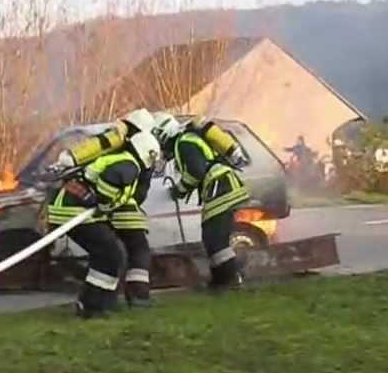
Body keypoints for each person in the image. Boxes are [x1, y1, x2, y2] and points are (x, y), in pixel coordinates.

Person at [46, 131, 161, 318]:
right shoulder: (129, 164)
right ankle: (93, 306)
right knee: (110, 254)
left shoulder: (123, 160)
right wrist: (103, 202)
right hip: (74, 210)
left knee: (107, 255)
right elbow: (110, 180)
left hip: (74, 210)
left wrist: (101, 205)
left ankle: (93, 304)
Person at [152, 111, 250, 289]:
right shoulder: (187, 140)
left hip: (220, 189)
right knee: (212, 237)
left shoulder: (184, 144)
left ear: (163, 134)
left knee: (215, 238)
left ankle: (231, 279)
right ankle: (222, 280)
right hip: (222, 187)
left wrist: (179, 190)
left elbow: (196, 172)